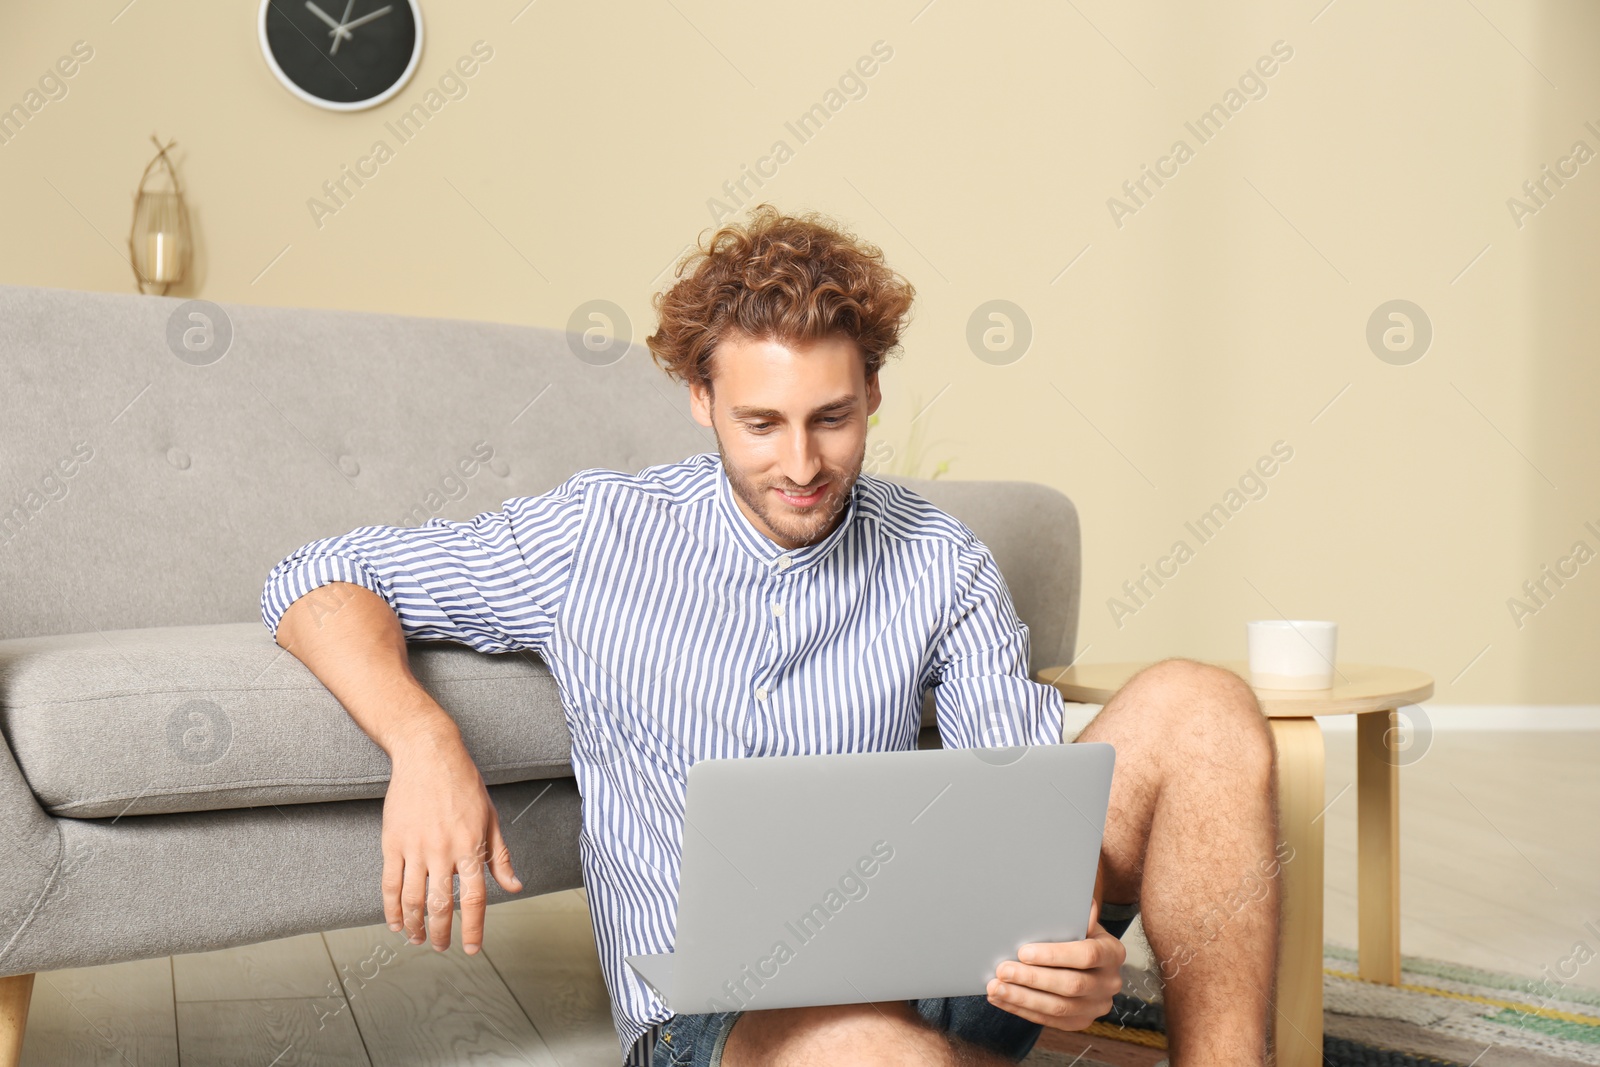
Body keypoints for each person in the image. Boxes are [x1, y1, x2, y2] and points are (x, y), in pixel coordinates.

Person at [260, 204, 1278, 1066]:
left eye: (832, 417)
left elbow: (1016, 798)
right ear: (701, 399)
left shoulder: (940, 556)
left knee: (1202, 707)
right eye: (762, 424)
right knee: (867, 1050)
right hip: (720, 1011)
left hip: (957, 967)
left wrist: (1069, 947)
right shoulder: (595, 534)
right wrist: (424, 742)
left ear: (873, 391)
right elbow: (313, 578)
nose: (801, 462)